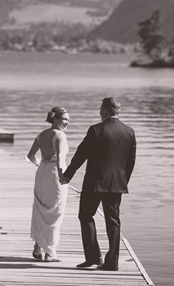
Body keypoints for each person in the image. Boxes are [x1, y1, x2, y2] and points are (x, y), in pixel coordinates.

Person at [60, 97, 136, 271]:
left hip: (94, 183)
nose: (99, 111)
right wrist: (123, 181)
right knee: (113, 221)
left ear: (105, 110)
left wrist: (68, 175)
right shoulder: (129, 132)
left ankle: (93, 257)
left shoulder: (96, 130)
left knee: (86, 216)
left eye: (100, 108)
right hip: (117, 184)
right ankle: (112, 262)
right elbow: (130, 162)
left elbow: (81, 154)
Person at [27, 106, 69, 262]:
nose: (67, 123)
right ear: (55, 119)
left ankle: (37, 247)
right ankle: (50, 253)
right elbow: (60, 160)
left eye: (68, 120)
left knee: (40, 209)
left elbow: (30, 156)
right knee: (54, 211)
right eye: (65, 119)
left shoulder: (41, 134)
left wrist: (41, 165)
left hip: (42, 172)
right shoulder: (60, 136)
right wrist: (62, 177)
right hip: (54, 174)